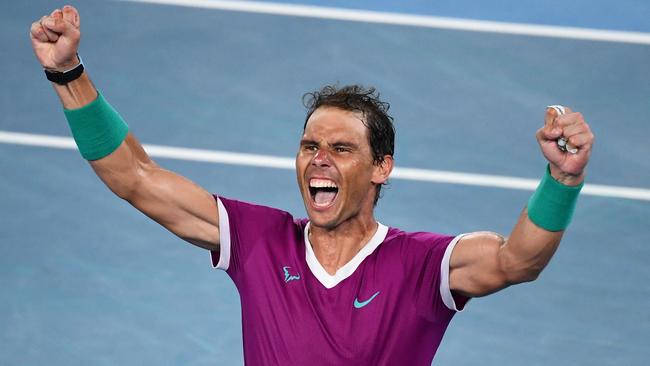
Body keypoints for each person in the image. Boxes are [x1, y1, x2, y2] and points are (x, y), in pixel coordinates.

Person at [30, 5, 595, 365]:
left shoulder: (425, 266)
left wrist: (562, 179)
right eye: (309, 147)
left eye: (342, 149)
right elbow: (134, 177)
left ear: (382, 167)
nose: (318, 161)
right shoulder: (258, 239)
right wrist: (67, 74)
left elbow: (516, 261)